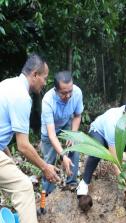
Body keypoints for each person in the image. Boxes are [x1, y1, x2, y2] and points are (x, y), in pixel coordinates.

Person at [0, 54, 60, 223]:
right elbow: (23, 146)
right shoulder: (22, 97)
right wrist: (45, 167)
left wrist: (9, 160)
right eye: (45, 77)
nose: (45, 82)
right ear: (35, 75)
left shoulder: (7, 84)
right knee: (24, 187)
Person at [77, 99, 126, 206]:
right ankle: (84, 182)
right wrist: (125, 190)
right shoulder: (113, 121)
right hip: (99, 134)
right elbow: (114, 160)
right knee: (97, 150)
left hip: (121, 140)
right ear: (124, 115)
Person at [41, 71, 84, 194]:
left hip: (65, 123)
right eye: (64, 93)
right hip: (50, 129)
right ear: (56, 90)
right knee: (48, 162)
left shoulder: (77, 92)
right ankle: (48, 194)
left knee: (74, 146)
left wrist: (73, 134)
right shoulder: (48, 101)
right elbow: (52, 135)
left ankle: (72, 183)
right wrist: (63, 156)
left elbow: (77, 115)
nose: (69, 96)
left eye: (70, 91)